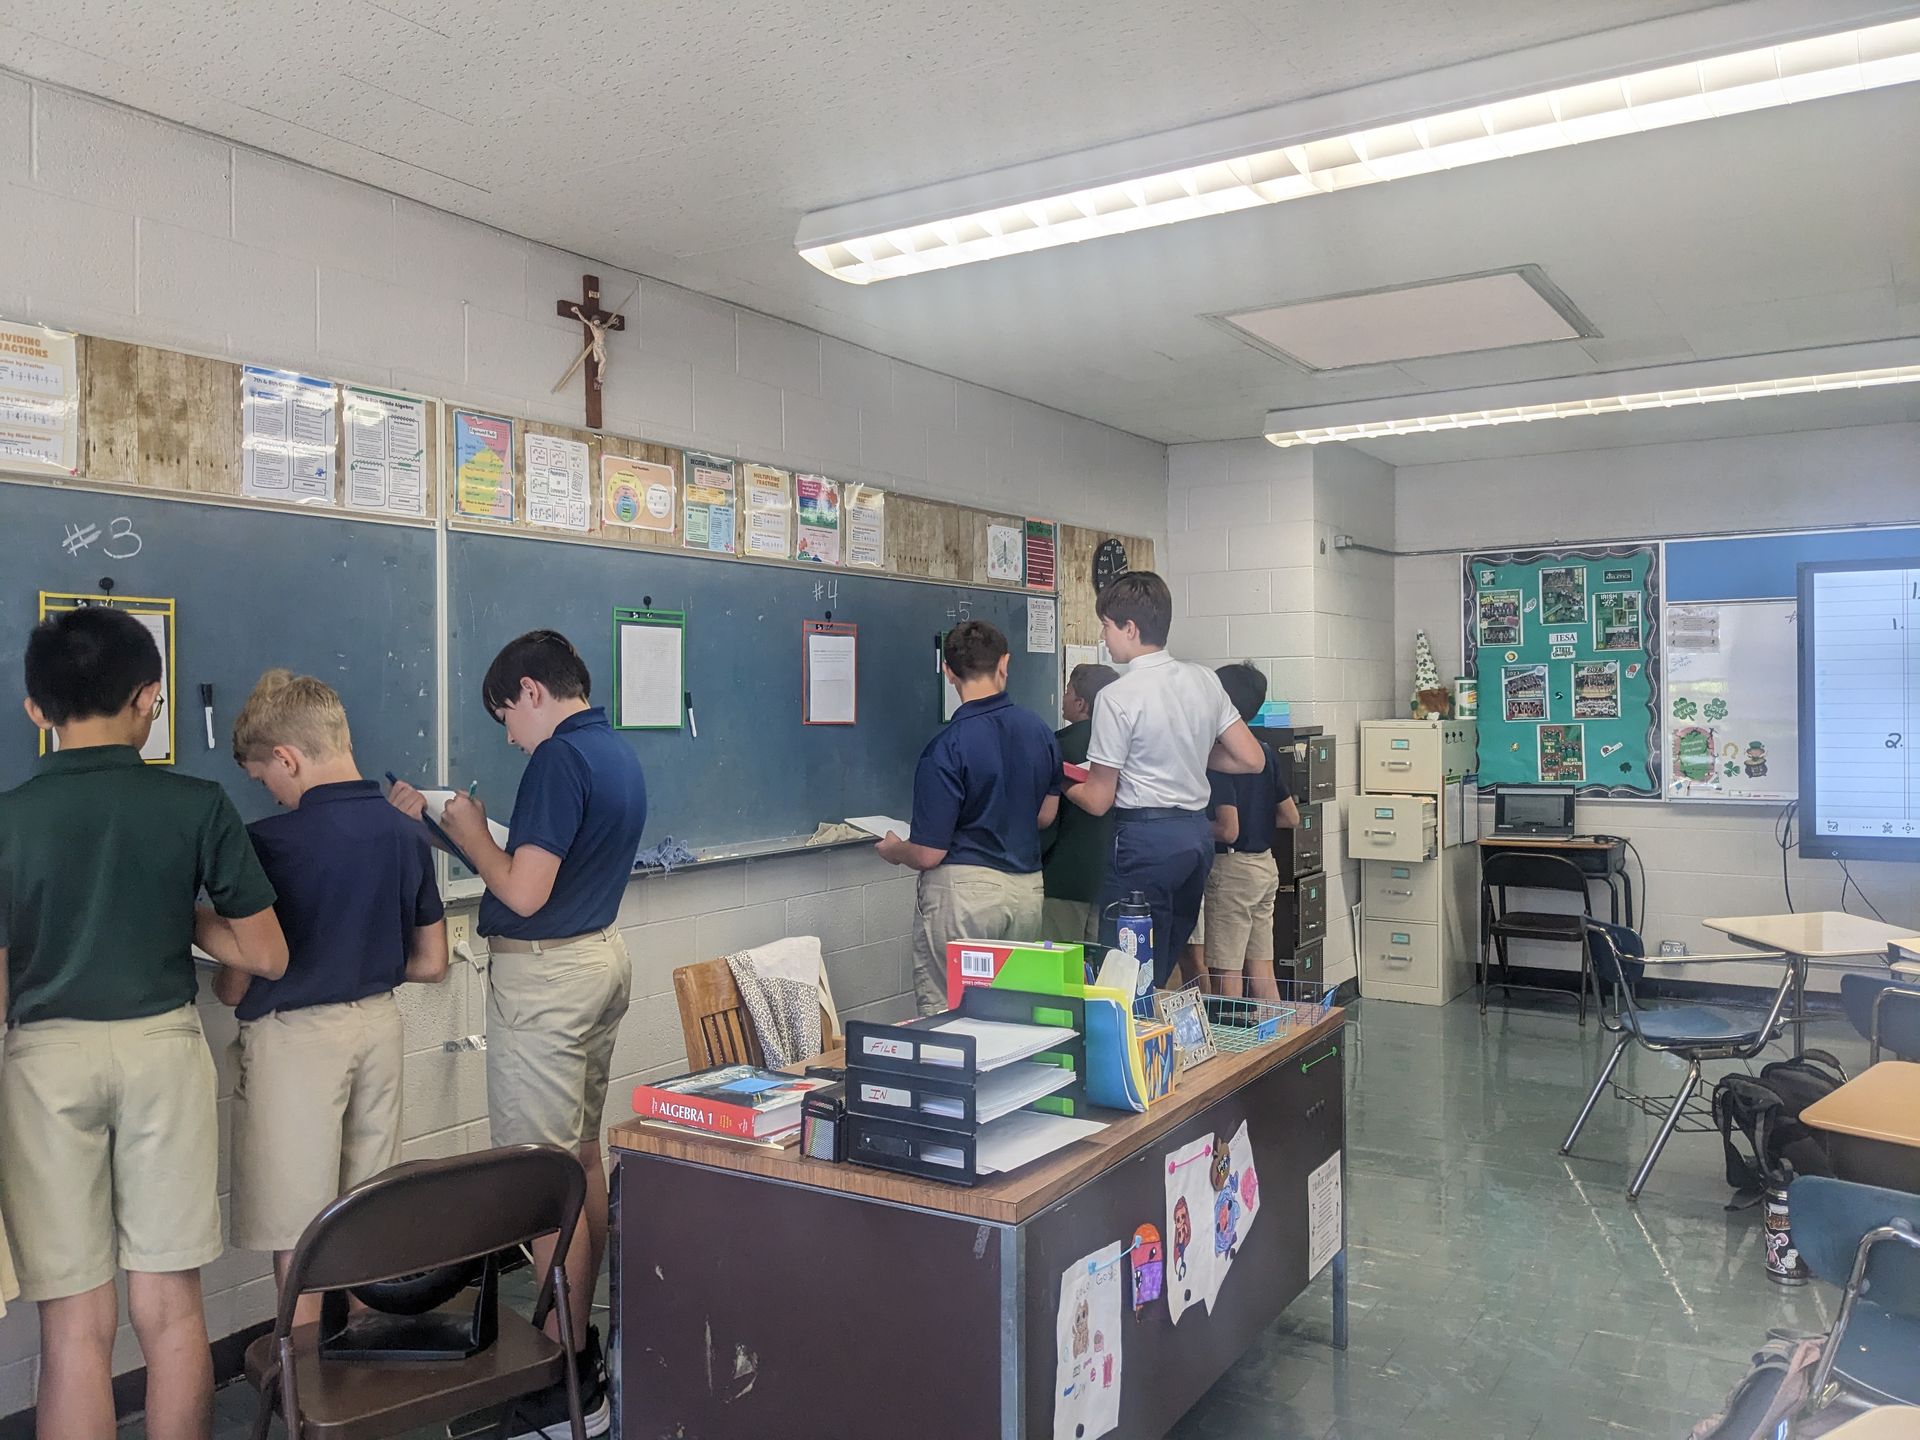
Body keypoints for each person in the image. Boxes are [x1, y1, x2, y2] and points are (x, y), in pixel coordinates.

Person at [0, 606, 287, 1440]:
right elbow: (267, 955)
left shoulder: (8, 818)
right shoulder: (196, 804)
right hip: (162, 1051)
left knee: (73, 1327)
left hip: (44, 1063)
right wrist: (188, 916)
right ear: (149, 699)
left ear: (35, 710)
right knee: (168, 1311)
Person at [388, 629, 644, 1440]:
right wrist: (446, 831)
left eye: (507, 714)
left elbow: (525, 892)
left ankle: (562, 1387)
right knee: (580, 1157)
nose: (508, 734)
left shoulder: (558, 761)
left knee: (539, 1182)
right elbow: (543, 867)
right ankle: (583, 1347)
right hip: (598, 960)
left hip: (546, 980)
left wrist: (464, 832)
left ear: (534, 690)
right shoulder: (612, 752)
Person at [199, 670, 448, 1329]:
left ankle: (303, 1381)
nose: (270, 795)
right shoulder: (407, 832)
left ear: (286, 757)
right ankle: (368, 1376)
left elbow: (237, 981)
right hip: (380, 1028)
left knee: (298, 1227)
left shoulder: (268, 844)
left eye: (264, 779)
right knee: (366, 1215)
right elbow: (432, 961)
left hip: (295, 1044)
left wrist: (202, 932)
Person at [1064, 572, 1266, 987]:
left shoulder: (1118, 696)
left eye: (1106, 625)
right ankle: (1158, 1044)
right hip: (1194, 838)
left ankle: (1129, 1047)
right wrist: (1189, 752)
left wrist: (1059, 780)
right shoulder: (1204, 679)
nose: (1104, 637)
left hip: (1144, 840)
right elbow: (1251, 758)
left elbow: (1099, 799)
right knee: (1164, 958)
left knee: (1124, 969)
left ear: (1130, 628)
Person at [877, 620, 1062, 1015]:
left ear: (948, 672)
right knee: (1014, 1013)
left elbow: (928, 854)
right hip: (1026, 891)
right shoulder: (1041, 733)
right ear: (1005, 664)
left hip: (964, 895)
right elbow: (1046, 816)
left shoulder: (946, 748)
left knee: (951, 1016)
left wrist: (895, 850)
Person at [1197, 663, 1299, 1000]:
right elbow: (1290, 817)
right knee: (1262, 966)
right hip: (1265, 866)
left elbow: (1228, 829)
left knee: (1227, 968)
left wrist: (1192, 826)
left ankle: (1232, 1042)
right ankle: (1276, 1043)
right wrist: (1259, 823)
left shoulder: (1218, 757)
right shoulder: (1264, 752)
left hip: (1232, 870)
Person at [1040, 663, 1119, 945]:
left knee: (1060, 970)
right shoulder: (1126, 744)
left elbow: (1044, 817)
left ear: (1081, 702)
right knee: (1104, 970)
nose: (1063, 698)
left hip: (1064, 876)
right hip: (1113, 876)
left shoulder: (1057, 746)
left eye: (1067, 691)